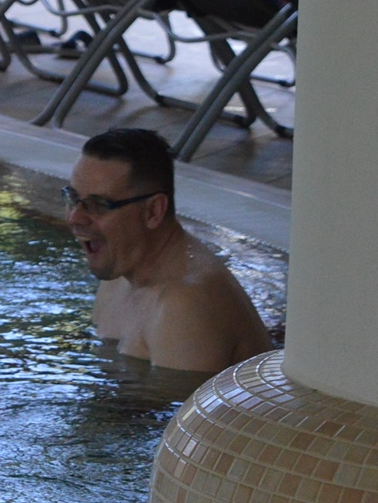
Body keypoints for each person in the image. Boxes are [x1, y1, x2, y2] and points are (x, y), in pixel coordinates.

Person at [68, 127, 272, 374]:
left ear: (153, 211)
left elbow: (184, 411)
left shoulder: (184, 306)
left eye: (98, 205)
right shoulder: (119, 269)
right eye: (73, 198)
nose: (75, 218)